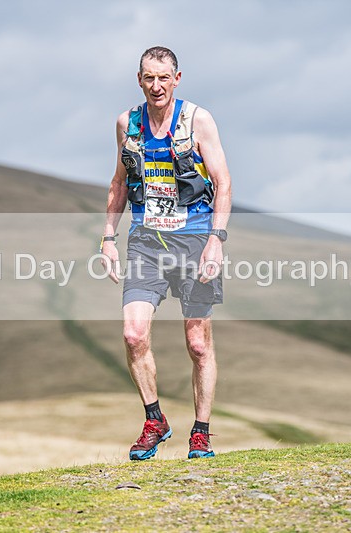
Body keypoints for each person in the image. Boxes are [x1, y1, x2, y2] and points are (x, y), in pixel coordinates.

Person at [99, 46, 232, 460]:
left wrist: (217, 240)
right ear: (139, 79)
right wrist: (107, 237)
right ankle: (154, 420)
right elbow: (119, 184)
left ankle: (202, 432)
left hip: (194, 239)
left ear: (177, 79)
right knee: (133, 334)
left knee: (197, 343)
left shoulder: (198, 120)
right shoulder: (128, 123)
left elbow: (224, 184)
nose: (156, 86)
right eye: (148, 77)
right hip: (146, 241)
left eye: (163, 78)